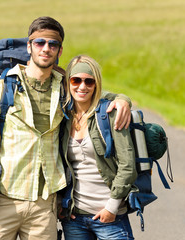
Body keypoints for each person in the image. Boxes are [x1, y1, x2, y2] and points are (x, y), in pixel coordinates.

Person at [0, 17, 131, 240]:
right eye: (39, 43)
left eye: (53, 44)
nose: (46, 49)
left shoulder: (66, 87)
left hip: (45, 206)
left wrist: (123, 100)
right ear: (29, 46)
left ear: (59, 50)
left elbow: (93, 93)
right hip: (3, 201)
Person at [60, 55, 137, 240]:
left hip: (110, 218)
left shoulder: (110, 114)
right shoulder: (63, 117)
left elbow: (128, 166)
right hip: (74, 218)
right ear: (68, 82)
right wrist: (60, 205)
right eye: (76, 80)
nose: (82, 86)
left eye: (89, 81)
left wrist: (111, 208)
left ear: (96, 84)